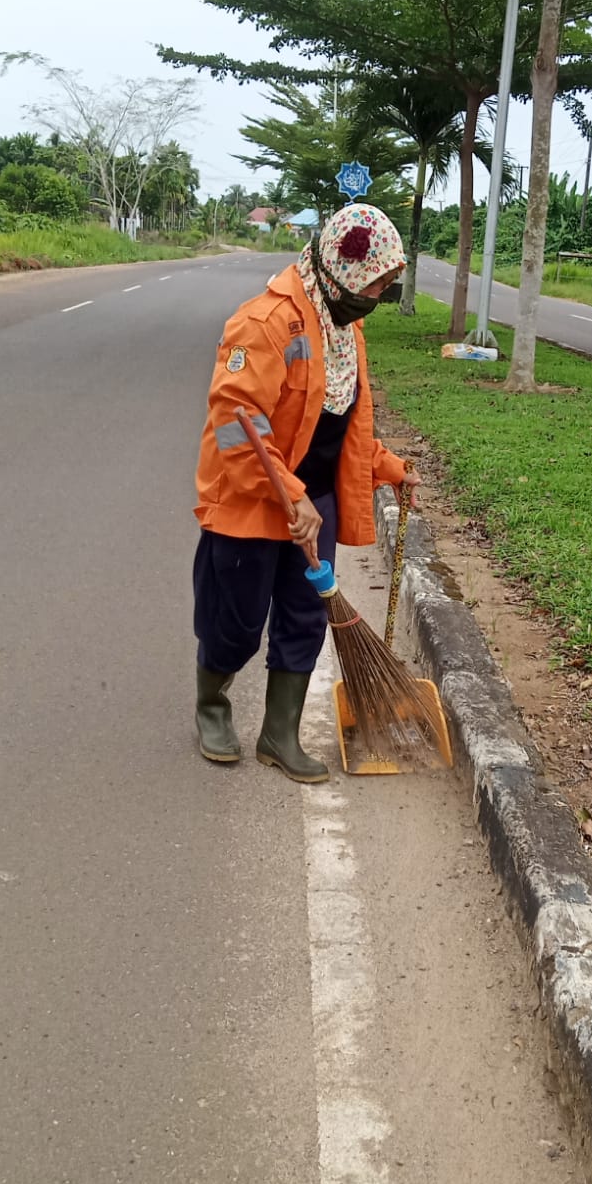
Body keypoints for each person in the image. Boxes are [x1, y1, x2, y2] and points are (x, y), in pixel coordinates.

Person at [191, 203, 421, 784]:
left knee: (303, 620)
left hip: (313, 505)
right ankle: (212, 707)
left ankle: (278, 734)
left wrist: (390, 467)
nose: (379, 295)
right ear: (339, 274)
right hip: (252, 502)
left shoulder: (344, 330)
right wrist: (287, 493)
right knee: (236, 622)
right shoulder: (265, 324)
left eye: (387, 284)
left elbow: (337, 424)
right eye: (375, 283)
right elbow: (236, 421)